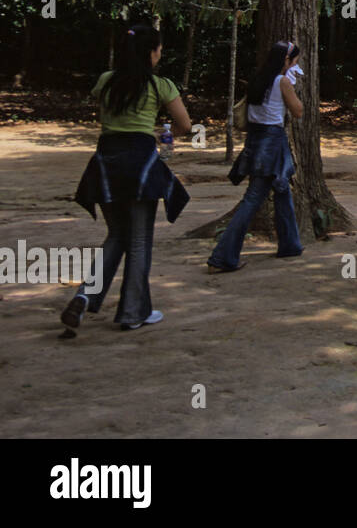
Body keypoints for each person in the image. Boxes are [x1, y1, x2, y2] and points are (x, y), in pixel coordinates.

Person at [63, 24, 192, 332]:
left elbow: (106, 115)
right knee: (138, 241)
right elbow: (185, 125)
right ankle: (133, 312)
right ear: (151, 52)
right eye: (159, 49)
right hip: (141, 166)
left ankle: (85, 295)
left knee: (116, 235)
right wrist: (164, 133)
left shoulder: (106, 81)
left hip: (105, 164)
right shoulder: (161, 85)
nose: (160, 54)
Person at [207, 41, 305, 272]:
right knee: (253, 199)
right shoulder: (282, 82)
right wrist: (292, 84)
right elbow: (298, 111)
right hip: (272, 140)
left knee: (281, 189)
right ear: (286, 62)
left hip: (257, 139)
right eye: (294, 61)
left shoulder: (258, 80)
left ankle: (290, 244)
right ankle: (221, 258)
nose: (296, 64)